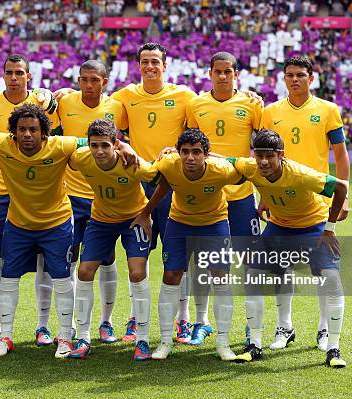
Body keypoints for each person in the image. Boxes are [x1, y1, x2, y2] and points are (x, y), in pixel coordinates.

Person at [0, 104, 138, 358]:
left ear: (44, 133)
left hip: (57, 224)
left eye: (33, 129)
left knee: (62, 280)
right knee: (8, 280)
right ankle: (6, 337)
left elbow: (97, 140)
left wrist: (123, 145)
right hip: (18, 225)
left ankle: (64, 337)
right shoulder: (2, 143)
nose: (27, 134)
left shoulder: (60, 145)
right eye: (21, 130)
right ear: (13, 133)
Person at [229, 129, 348, 368]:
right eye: (259, 155)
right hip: (279, 227)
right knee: (253, 274)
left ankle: (332, 346)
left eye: (269, 156)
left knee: (331, 280)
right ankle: (255, 343)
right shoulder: (251, 167)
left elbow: (341, 187)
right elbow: (222, 160)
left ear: (281, 155)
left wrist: (330, 228)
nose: (263, 161)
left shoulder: (300, 174)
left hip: (313, 226)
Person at [260, 55, 350, 352]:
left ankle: (325, 330)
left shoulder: (327, 110)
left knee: (323, 272)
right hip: (281, 205)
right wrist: (264, 196)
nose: (295, 79)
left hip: (318, 203)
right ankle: (284, 326)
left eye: (300, 75)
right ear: (283, 79)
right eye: (290, 75)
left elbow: (340, 155)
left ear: (312, 78)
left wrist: (345, 196)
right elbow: (264, 158)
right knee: (279, 268)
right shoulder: (271, 112)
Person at [111, 42, 198, 343]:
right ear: (138, 65)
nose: (150, 67)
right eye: (145, 61)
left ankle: (183, 320)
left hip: (173, 183)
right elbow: (99, 116)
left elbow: (206, 122)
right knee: (140, 253)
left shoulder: (185, 96)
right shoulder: (125, 96)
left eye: (155, 62)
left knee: (177, 254)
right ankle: (137, 317)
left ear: (165, 65)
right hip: (139, 184)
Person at [133, 128, 244, 361]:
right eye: (185, 152)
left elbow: (245, 172)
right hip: (179, 222)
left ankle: (223, 344)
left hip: (214, 224)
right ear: (178, 152)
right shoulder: (169, 164)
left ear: (206, 154)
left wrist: (216, 156)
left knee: (220, 277)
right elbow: (161, 182)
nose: (190, 157)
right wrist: (145, 213)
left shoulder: (221, 169)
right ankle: (165, 343)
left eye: (196, 152)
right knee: (171, 275)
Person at [0, 53, 60, 347]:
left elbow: (57, 139)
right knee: (0, 258)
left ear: (29, 76)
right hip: (3, 192)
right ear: (3, 75)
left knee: (45, 261)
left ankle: (43, 326)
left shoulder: (43, 104)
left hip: (41, 191)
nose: (14, 77)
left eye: (19, 72)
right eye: (9, 72)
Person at [186, 51, 263, 346]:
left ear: (236, 74)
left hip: (241, 196)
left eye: (227, 71)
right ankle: (202, 321)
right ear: (209, 73)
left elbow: (264, 153)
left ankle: (251, 325)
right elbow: (189, 148)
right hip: (207, 195)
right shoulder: (196, 105)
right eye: (217, 71)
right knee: (203, 260)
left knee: (250, 261)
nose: (222, 76)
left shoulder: (252, 104)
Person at [65, 118, 156, 360]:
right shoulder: (81, 158)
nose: (99, 151)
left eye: (105, 145)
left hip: (133, 220)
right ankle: (83, 338)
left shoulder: (133, 163)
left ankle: (143, 340)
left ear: (115, 144)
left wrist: (147, 212)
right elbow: (59, 149)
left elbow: (163, 177)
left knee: (137, 273)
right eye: (94, 145)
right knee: (84, 271)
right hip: (101, 220)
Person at [57, 60, 129, 344]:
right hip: (71, 196)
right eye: (84, 80)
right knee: (71, 259)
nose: (89, 85)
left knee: (107, 259)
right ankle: (74, 323)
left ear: (105, 81)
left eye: (94, 80)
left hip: (104, 195)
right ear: (78, 79)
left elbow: (126, 137)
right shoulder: (63, 102)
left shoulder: (117, 107)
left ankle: (106, 322)